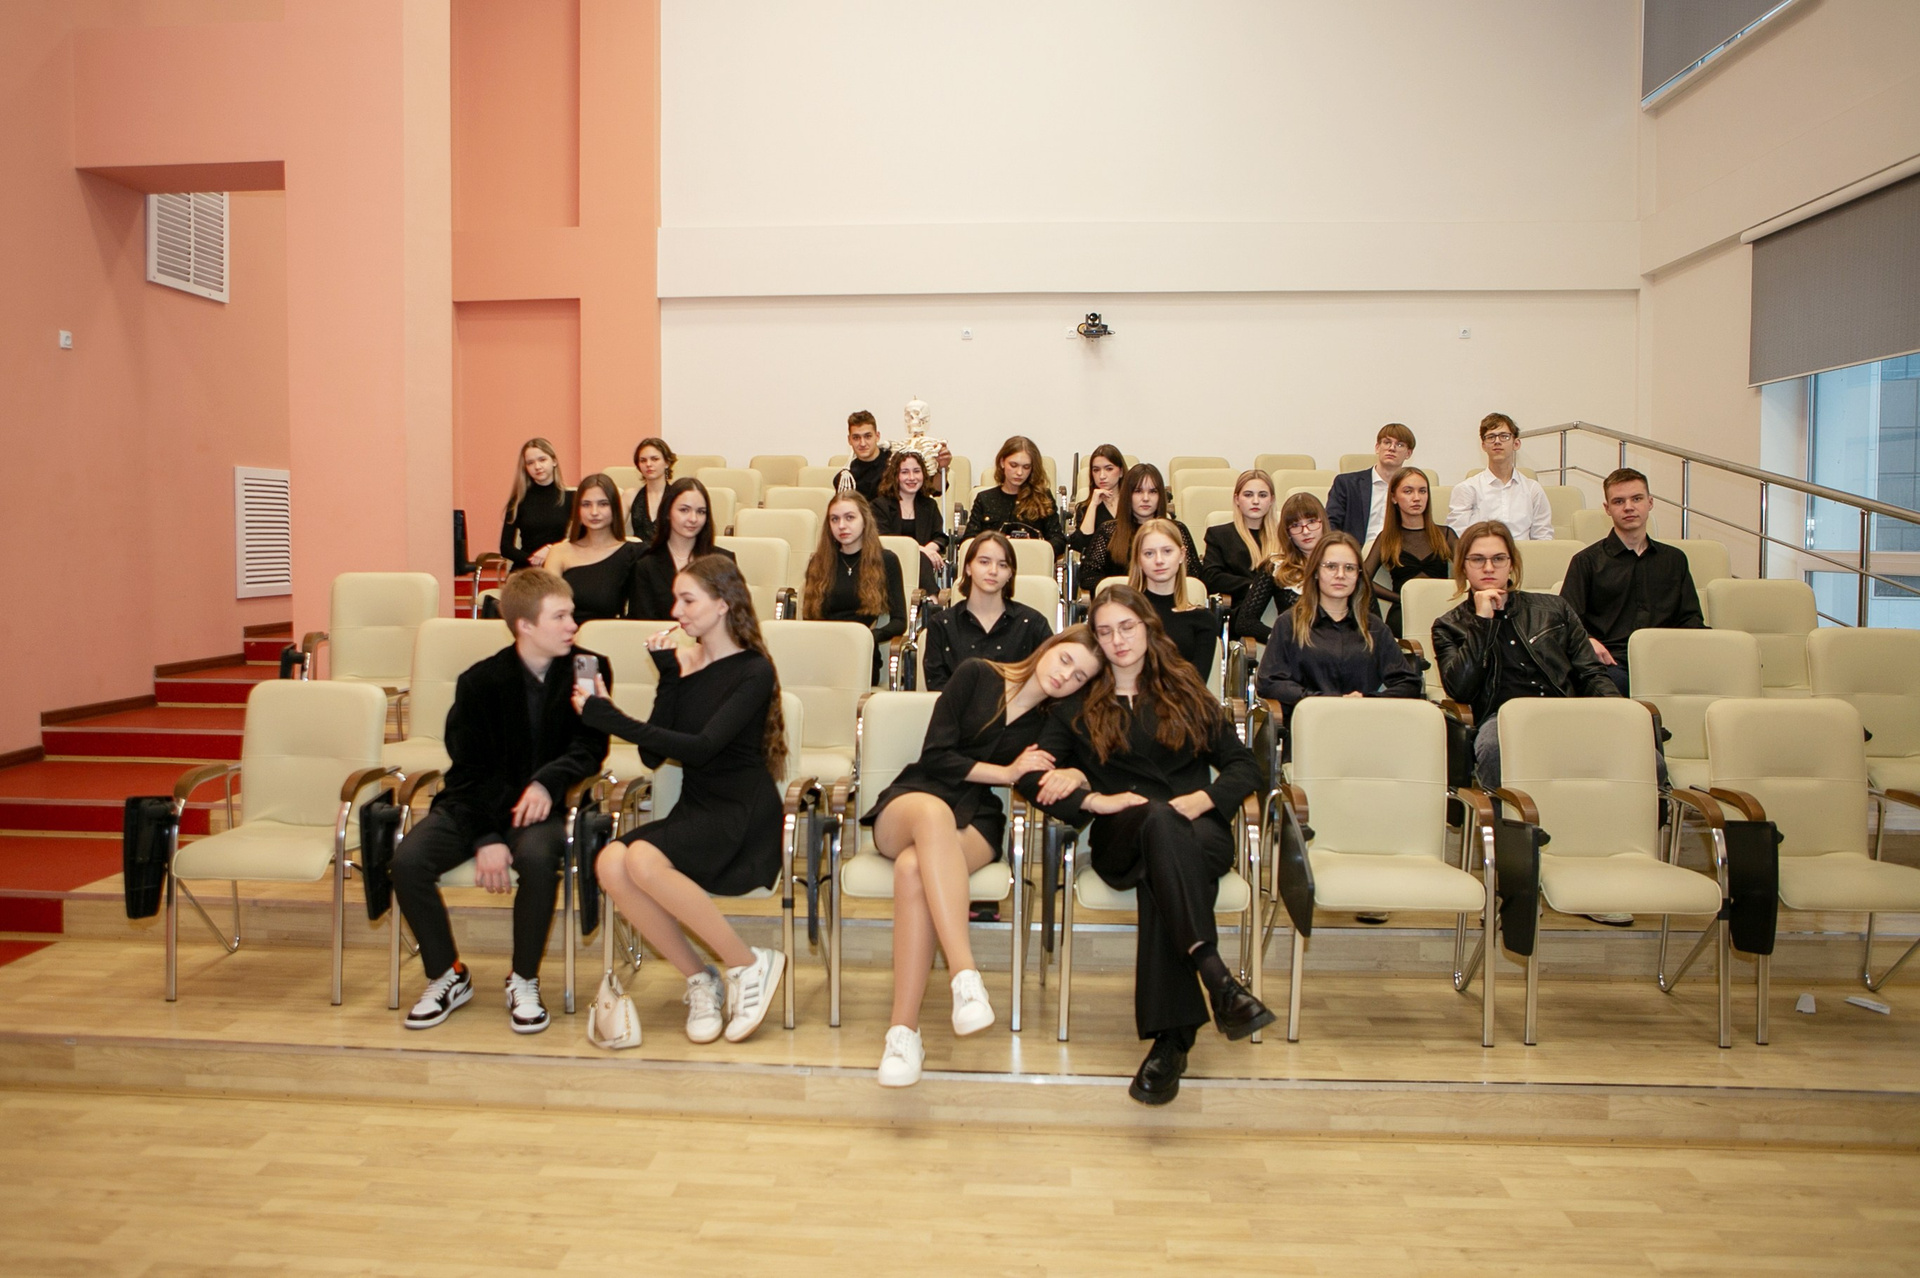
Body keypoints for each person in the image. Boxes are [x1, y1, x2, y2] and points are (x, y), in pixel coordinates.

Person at [1018, 586, 1274, 1106]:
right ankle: (1215, 978)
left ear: (1147, 627)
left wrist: (1205, 799)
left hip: (1197, 831)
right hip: (1122, 836)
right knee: (1157, 824)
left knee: (1165, 865)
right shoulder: (1075, 707)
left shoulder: (1187, 690)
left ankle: (1173, 1041)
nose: (1118, 639)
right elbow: (1029, 777)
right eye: (1105, 631)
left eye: (1126, 627)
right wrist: (1089, 797)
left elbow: (1245, 766)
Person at [864, 631, 1105, 1086]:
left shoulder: (1053, 723)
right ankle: (965, 974)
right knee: (932, 816)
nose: (1065, 676)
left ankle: (902, 1033)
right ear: (1049, 646)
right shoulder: (977, 674)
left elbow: (1044, 785)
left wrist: (1077, 775)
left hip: (977, 817)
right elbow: (936, 755)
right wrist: (1007, 772)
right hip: (914, 800)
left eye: (1079, 677)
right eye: (1065, 659)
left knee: (913, 869)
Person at [574, 556, 788, 1044]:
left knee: (642, 859)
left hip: (742, 814)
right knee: (611, 863)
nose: (676, 611)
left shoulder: (754, 670)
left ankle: (747, 964)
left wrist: (609, 717)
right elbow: (653, 755)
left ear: (723, 604)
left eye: (688, 600)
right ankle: (701, 979)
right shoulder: (684, 664)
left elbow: (704, 747)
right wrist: (669, 676)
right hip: (698, 807)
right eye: (676, 600)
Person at [391, 569, 610, 1034]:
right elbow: (468, 770)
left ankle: (523, 978)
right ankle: (447, 974)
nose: (573, 625)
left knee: (537, 858)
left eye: (571, 614)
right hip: (477, 805)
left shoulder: (588, 668)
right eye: (560, 616)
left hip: (545, 806)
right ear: (524, 625)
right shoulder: (479, 681)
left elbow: (591, 748)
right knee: (408, 860)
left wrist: (547, 783)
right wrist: (486, 838)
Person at [1560, 468, 1704, 696]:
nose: (1628, 507)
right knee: (1612, 687)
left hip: (1666, 659)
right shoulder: (1586, 562)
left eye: (1636, 499)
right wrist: (1588, 640)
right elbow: (1567, 621)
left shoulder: (1674, 560)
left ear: (1650, 502)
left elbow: (1690, 619)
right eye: (1619, 501)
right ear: (1607, 508)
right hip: (1610, 663)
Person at [1255, 531, 1421, 713]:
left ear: (1358, 575)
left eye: (1349, 568)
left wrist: (1369, 701)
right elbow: (1269, 682)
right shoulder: (1289, 624)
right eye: (1331, 566)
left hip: (1363, 720)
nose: (1340, 575)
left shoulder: (1375, 628)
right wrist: (1322, 701)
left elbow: (1408, 683)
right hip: (1309, 720)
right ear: (1316, 571)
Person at [920, 532, 1054, 692]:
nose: (993, 571)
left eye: (1003, 565)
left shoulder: (1033, 623)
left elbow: (1048, 679)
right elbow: (937, 686)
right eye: (984, 562)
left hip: (1017, 707)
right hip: (957, 707)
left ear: (1010, 574)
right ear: (968, 568)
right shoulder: (942, 625)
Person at [803, 492, 907, 685]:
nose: (842, 525)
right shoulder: (818, 562)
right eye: (834, 519)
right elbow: (809, 617)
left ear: (864, 520)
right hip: (823, 651)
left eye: (849, 517)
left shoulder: (886, 560)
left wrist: (867, 637)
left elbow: (900, 621)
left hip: (861, 652)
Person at [1363, 467, 1459, 638]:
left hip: (1442, 609)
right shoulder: (1386, 538)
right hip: (1403, 612)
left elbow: (1468, 572)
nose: (1416, 498)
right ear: (1394, 497)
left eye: (1422, 491)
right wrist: (1400, 598)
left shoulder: (1446, 534)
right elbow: (1362, 579)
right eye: (1408, 491)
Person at [1079, 464, 1204, 589]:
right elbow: (1088, 577)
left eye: (1153, 492)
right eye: (1138, 491)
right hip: (1123, 598)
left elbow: (1194, 576)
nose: (1145, 498)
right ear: (1128, 495)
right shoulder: (1108, 531)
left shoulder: (1177, 530)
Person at [626, 478, 735, 621]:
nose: (693, 518)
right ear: (667, 512)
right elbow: (642, 624)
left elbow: (734, 619)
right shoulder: (646, 566)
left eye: (701, 512)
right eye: (684, 510)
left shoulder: (724, 561)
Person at [1125, 518, 1218, 685]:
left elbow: (1197, 683)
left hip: (1182, 699)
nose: (1159, 560)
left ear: (1181, 555)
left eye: (1167, 551)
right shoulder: (1123, 614)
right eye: (1149, 553)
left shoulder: (1203, 620)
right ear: (1138, 559)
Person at [540, 474, 643, 623]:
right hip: (564, 632)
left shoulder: (633, 552)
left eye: (603, 504)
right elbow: (549, 608)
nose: (594, 512)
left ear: (615, 508)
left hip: (608, 632)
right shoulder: (559, 551)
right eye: (586, 504)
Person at [1231, 491, 1327, 639]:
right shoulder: (1275, 566)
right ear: (1287, 533)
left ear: (1323, 523)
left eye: (1312, 522)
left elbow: (1364, 618)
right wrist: (1280, 639)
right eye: (1296, 525)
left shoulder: (1344, 564)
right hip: (1294, 647)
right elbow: (1244, 622)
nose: (1306, 531)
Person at [1201, 469, 1283, 641]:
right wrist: (1255, 587)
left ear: (1272, 500)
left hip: (1281, 610)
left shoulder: (1285, 536)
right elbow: (1211, 577)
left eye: (1262, 495)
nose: (1255, 501)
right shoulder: (1220, 535)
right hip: (1241, 613)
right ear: (1237, 499)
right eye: (1248, 495)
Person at [1448, 412, 1554, 541]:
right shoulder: (1466, 489)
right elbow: (1458, 539)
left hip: (1523, 553)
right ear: (1483, 445)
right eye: (1491, 437)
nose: (1497, 441)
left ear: (1516, 444)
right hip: (1482, 552)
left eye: (1504, 436)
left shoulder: (1533, 490)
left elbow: (1543, 538)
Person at [966, 435, 1065, 557]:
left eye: (1026, 467)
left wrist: (1035, 547)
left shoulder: (1042, 497)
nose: (1019, 472)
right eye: (1013, 465)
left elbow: (1059, 541)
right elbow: (969, 541)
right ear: (1002, 462)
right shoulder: (984, 499)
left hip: (1032, 561)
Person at [1326, 422, 1417, 545]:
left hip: (1397, 551)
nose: (1392, 448)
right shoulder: (1347, 484)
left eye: (1400, 445)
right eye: (1387, 442)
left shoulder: (1413, 490)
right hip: (1354, 551)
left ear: (1408, 453)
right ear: (1377, 447)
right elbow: (1331, 524)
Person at [872, 449, 948, 594]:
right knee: (921, 558)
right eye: (905, 472)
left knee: (921, 559)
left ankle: (931, 600)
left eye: (916, 471)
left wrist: (928, 550)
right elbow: (885, 540)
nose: (912, 477)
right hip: (889, 562)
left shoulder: (929, 505)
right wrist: (921, 550)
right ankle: (934, 599)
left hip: (923, 565)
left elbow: (940, 537)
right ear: (895, 476)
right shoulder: (880, 506)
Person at [839, 409, 951, 504]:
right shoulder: (846, 478)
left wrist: (942, 468)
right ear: (849, 440)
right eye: (856, 438)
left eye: (868, 436)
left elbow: (935, 490)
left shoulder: (898, 461)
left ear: (877, 436)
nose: (862, 443)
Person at [498, 437, 571, 570]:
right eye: (530, 463)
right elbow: (505, 547)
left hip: (558, 567)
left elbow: (580, 540)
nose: (537, 467)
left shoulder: (571, 498)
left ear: (554, 461)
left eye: (542, 460)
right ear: (525, 468)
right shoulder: (518, 500)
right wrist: (533, 560)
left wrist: (551, 550)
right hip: (525, 569)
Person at [1068, 445, 1127, 554]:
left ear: (1121, 472)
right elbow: (1081, 546)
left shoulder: (1133, 504)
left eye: (1109, 469)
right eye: (1096, 470)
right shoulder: (1085, 508)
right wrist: (1093, 505)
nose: (1102, 476)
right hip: (1098, 563)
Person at [626, 437, 676, 546]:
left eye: (654, 459)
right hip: (638, 554)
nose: (648, 464)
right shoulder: (630, 495)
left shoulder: (678, 496)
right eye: (643, 460)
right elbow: (613, 532)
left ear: (667, 462)